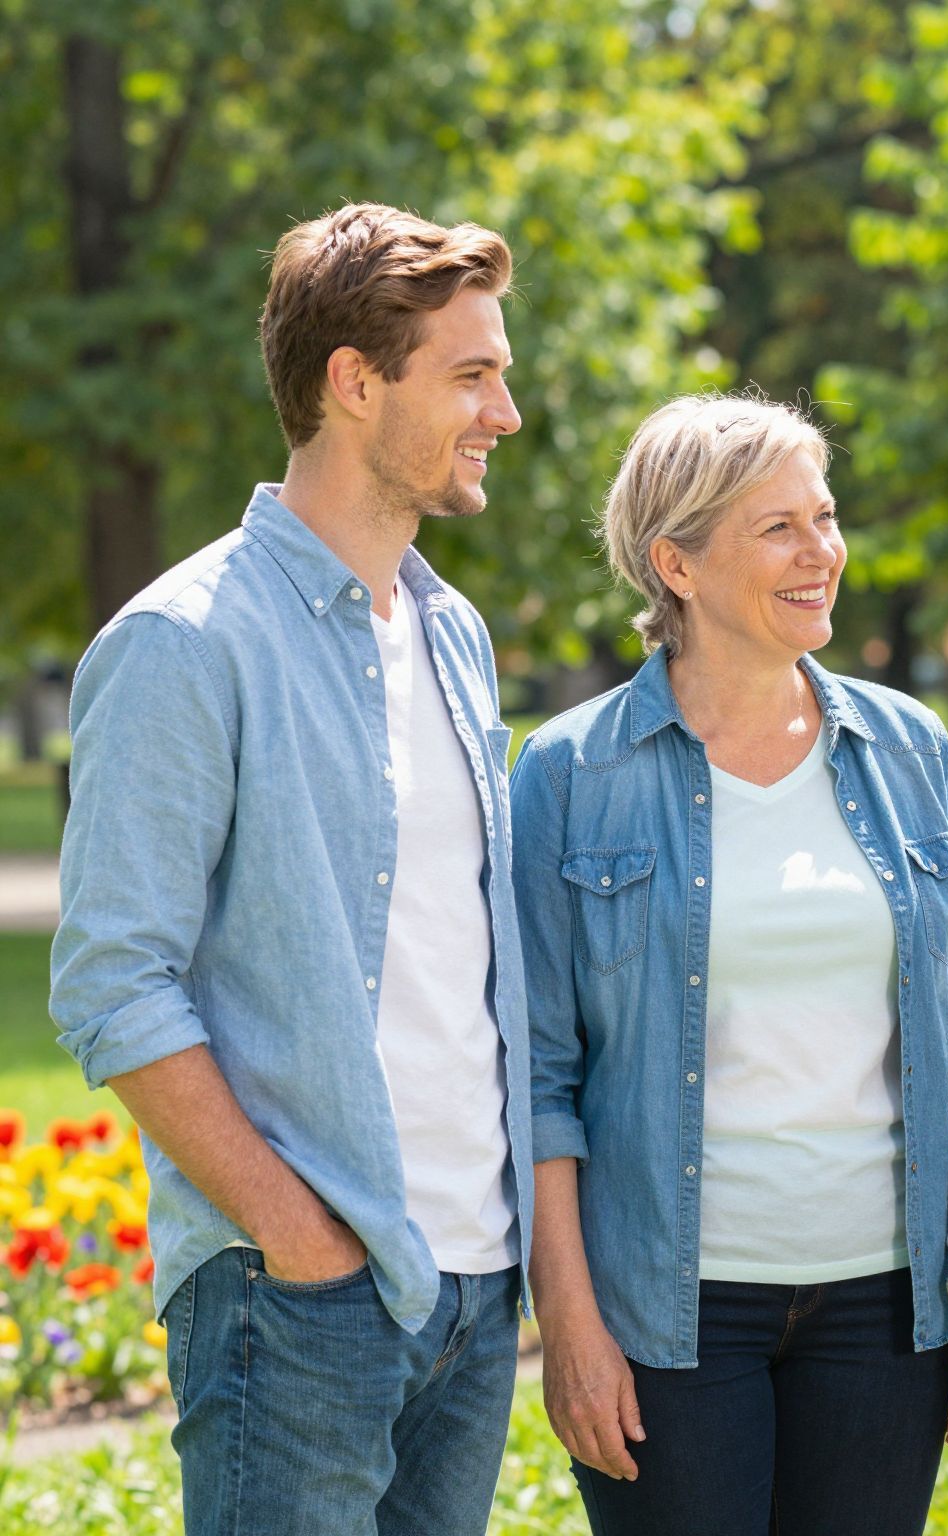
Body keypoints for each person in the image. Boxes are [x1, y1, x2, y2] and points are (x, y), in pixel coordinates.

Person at [49, 203, 531, 1535]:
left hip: (473, 1289)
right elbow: (112, 987)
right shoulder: (184, 643)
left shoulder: (455, 636)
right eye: (473, 375)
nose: (509, 410)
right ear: (355, 380)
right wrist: (300, 1237)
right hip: (301, 1292)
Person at [510, 393, 948, 1536]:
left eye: (823, 517)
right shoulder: (571, 772)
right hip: (670, 1313)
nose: (821, 550)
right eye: (778, 527)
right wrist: (569, 1326)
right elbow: (538, 1079)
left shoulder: (907, 748)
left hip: (884, 1310)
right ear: (675, 562)